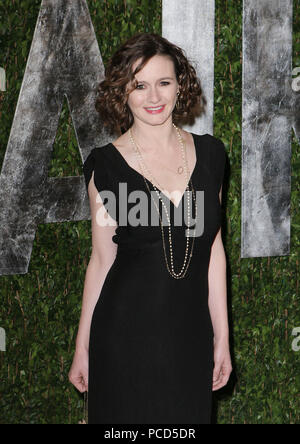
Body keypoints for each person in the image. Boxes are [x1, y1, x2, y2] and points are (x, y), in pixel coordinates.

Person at [69, 32, 232, 424]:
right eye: (139, 85)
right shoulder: (105, 166)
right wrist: (83, 346)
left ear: (181, 85)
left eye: (164, 82)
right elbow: (101, 259)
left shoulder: (212, 155)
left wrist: (223, 336)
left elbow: (213, 250)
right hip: (122, 336)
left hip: (189, 337)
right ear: (123, 92)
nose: (154, 97)